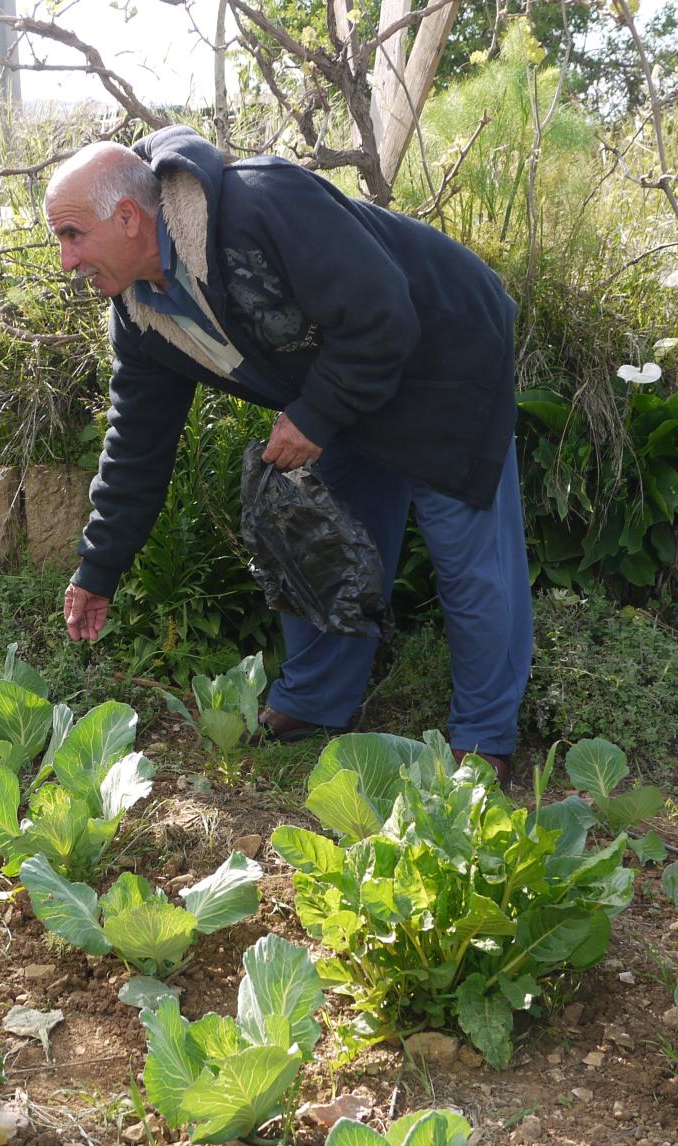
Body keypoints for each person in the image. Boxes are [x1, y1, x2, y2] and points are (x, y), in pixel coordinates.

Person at [47, 126, 531, 784]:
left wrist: (314, 415)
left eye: (73, 236)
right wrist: (98, 568)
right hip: (347, 381)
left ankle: (484, 741)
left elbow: (384, 313)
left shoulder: (259, 204)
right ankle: (316, 703)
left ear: (128, 216)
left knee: (470, 559)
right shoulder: (141, 312)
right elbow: (136, 443)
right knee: (315, 536)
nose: (66, 260)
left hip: (443, 360)